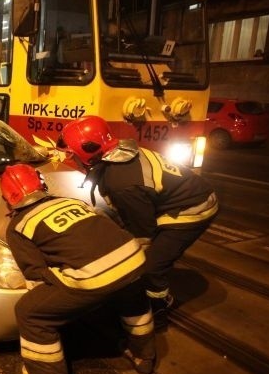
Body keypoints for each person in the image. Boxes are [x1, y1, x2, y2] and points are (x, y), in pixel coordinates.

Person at [0, 163, 155, 374]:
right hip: (133, 259)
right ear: (42, 185)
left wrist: (54, 298)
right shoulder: (72, 201)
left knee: (29, 312)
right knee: (131, 296)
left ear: (8, 199)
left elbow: (34, 274)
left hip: (95, 277)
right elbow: (107, 224)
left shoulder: (18, 226)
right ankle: (145, 357)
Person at [58, 116, 218, 328]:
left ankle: (158, 307)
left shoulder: (121, 183)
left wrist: (130, 260)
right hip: (179, 198)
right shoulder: (121, 153)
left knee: (151, 266)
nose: (71, 159)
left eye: (72, 154)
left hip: (194, 208)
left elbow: (144, 231)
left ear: (87, 152)